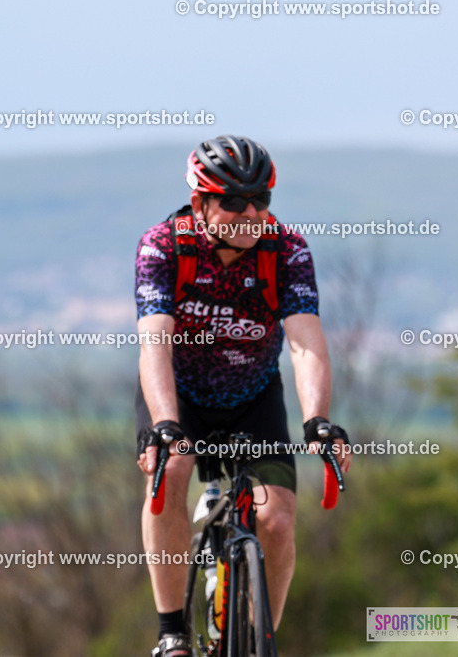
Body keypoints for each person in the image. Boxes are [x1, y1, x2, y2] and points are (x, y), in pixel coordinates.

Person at [134, 135, 351, 657]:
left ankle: (260, 639)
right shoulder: (165, 245)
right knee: (174, 468)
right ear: (201, 202)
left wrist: (318, 420)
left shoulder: (287, 250)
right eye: (233, 201)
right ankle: (171, 632)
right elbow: (154, 340)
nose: (250, 213)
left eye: (261, 200)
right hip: (179, 394)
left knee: (276, 521)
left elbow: (304, 342)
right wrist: (165, 422)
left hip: (253, 396)